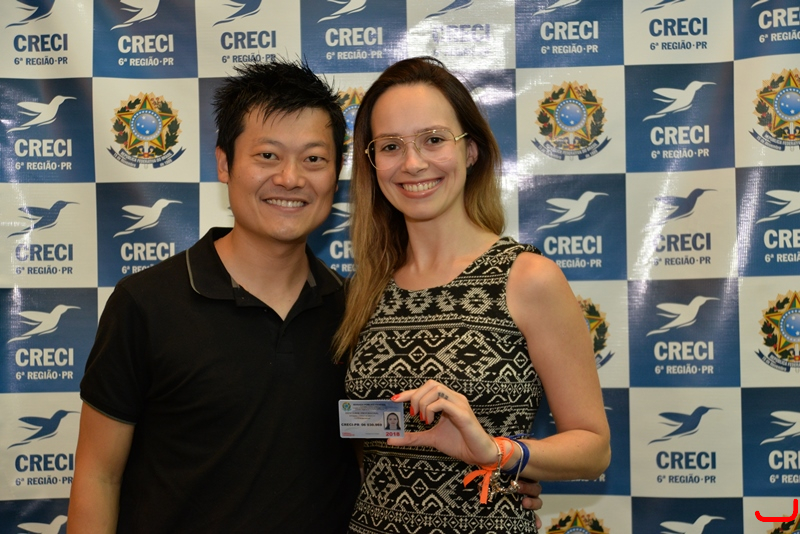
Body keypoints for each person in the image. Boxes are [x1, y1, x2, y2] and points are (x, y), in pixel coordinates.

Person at [66, 59, 361, 533]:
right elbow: (98, 476)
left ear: (336, 172)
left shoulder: (355, 312)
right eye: (268, 155)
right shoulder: (145, 304)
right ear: (225, 163)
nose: (290, 178)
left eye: (314, 159)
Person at [334, 57, 611, 533]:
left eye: (434, 139)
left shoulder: (527, 278)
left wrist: (502, 453)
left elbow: (593, 447)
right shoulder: (364, 290)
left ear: (471, 151)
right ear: (372, 162)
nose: (413, 163)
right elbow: (362, 438)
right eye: (391, 146)